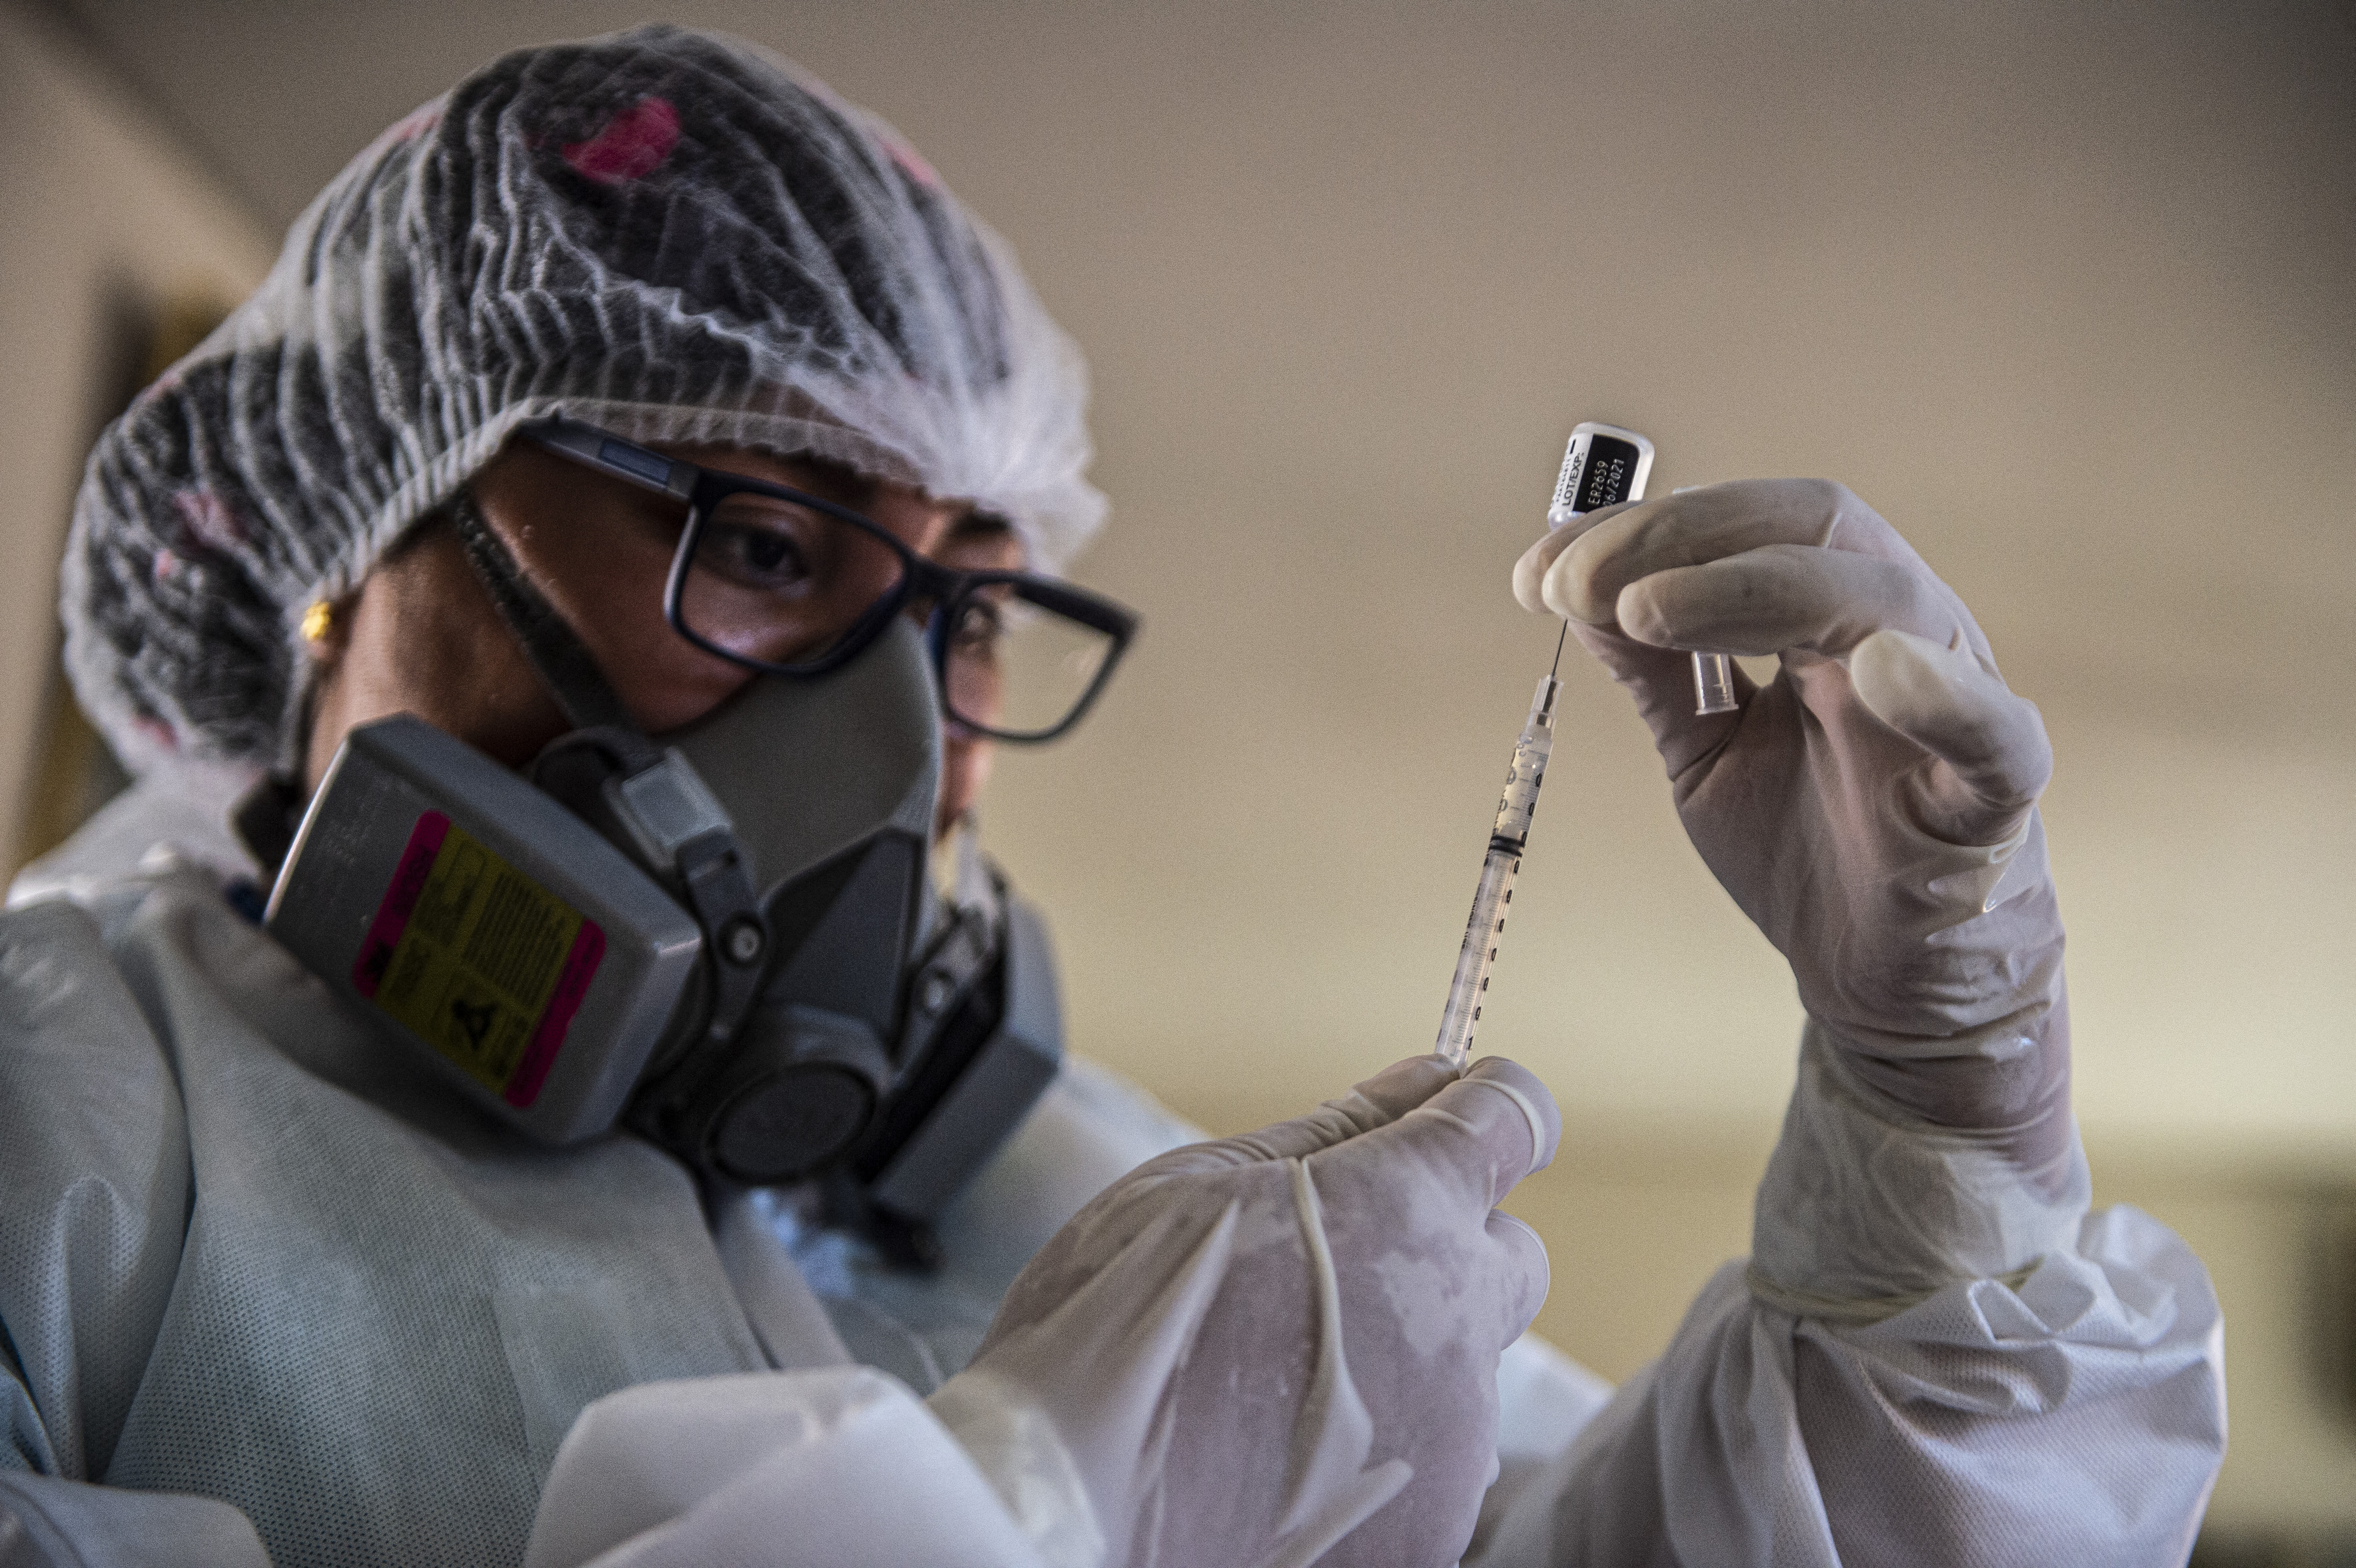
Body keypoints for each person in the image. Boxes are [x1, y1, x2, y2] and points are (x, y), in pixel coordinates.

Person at [0, 25, 2222, 1568]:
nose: (906, 746)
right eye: (768, 546)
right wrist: (1039, 1503)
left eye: (971, 619)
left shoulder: (1086, 1206)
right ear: (347, 546)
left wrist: (1940, 1137)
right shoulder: (59, 1108)